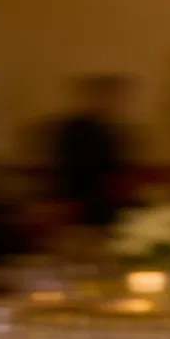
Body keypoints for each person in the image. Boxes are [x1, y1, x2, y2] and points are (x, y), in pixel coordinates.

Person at [49, 74, 134, 230]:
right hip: (79, 199)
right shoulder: (73, 130)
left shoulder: (117, 130)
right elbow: (64, 166)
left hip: (108, 200)